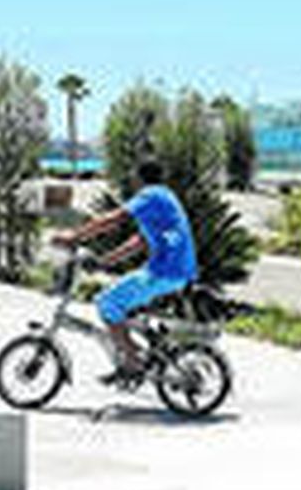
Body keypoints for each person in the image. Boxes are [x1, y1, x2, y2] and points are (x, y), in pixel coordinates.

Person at [51, 159, 198, 382]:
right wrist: (105, 261)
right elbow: (139, 241)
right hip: (173, 271)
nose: (132, 181)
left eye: (133, 177)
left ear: (139, 178)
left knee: (107, 303)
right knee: (119, 304)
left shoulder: (150, 196)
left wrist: (75, 236)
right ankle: (139, 353)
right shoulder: (163, 196)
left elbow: (114, 219)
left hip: (164, 272)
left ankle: (132, 363)